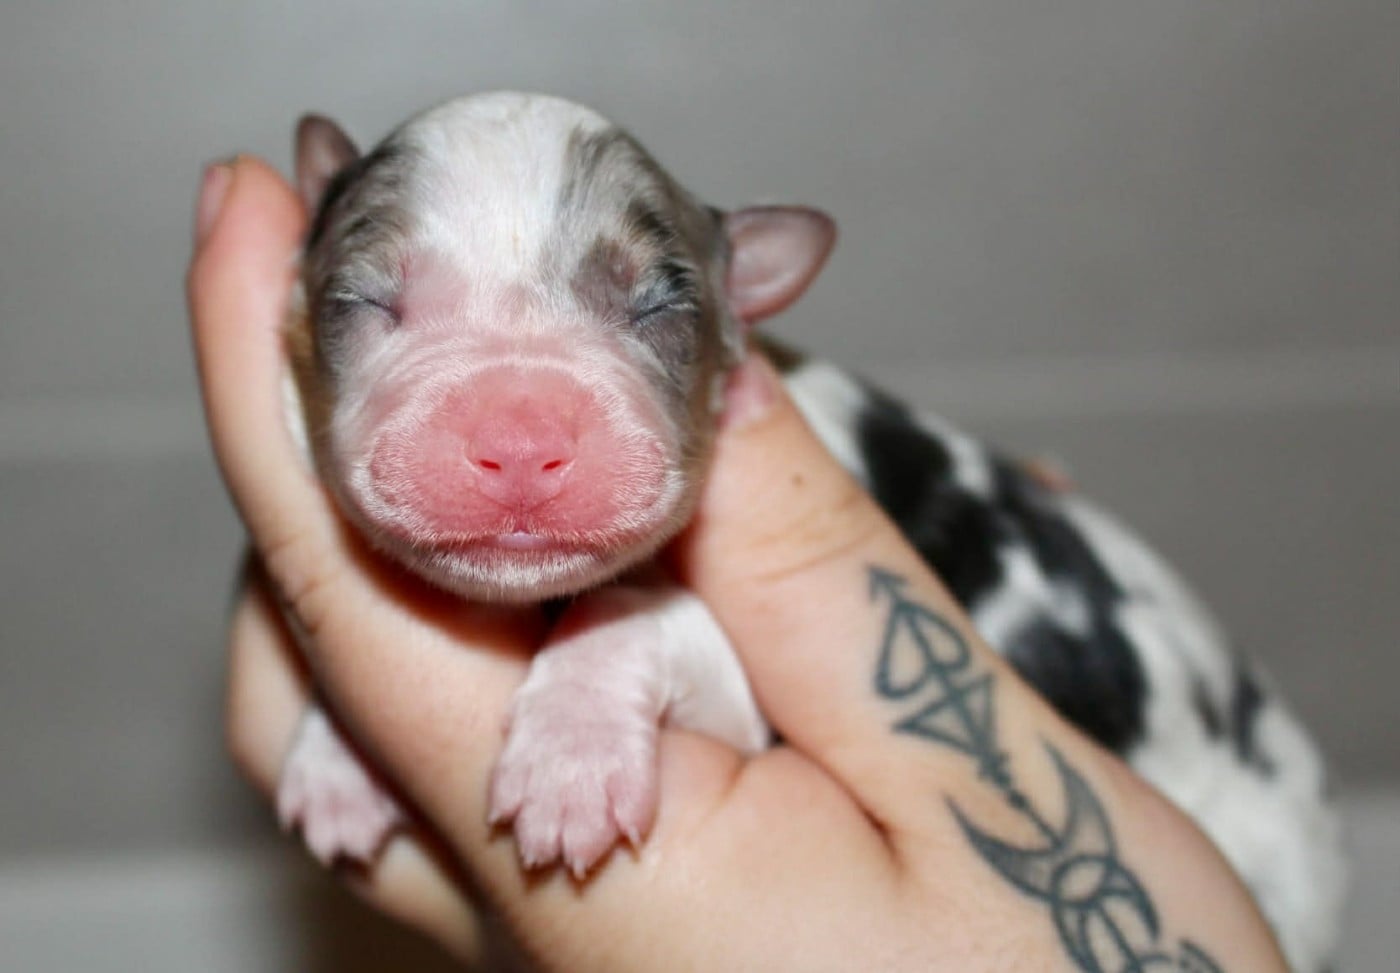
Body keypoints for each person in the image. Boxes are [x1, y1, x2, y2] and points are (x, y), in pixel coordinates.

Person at [189, 156, 1288, 972]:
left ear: (735, 308)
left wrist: (602, 672)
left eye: (650, 308)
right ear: (303, 299)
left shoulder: (761, 474)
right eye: (380, 303)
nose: (517, 439)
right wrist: (360, 725)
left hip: (1241, 841)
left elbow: (731, 661)